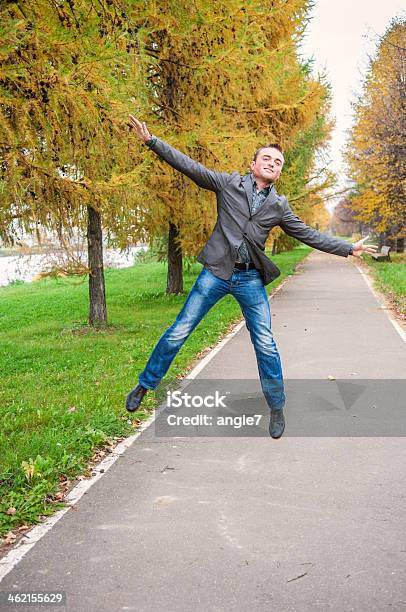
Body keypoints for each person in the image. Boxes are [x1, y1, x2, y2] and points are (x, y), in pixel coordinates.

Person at [125, 115, 377, 438]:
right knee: (179, 331)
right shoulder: (228, 184)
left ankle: (276, 407)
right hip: (215, 273)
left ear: (279, 172)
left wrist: (347, 248)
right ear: (253, 163)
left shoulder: (279, 206)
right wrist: (152, 141)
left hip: (249, 280)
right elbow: (190, 167)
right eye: (267, 158)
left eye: (278, 162)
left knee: (266, 343)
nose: (273, 164)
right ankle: (145, 385)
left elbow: (308, 235)